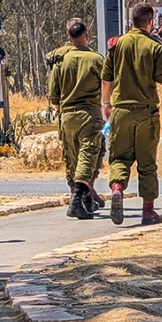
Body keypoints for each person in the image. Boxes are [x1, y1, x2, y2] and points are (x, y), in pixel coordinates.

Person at [102, 3, 162, 226]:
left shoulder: (117, 44)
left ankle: (117, 189)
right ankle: (148, 210)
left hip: (121, 111)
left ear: (131, 21)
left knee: (120, 157)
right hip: (146, 113)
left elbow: (107, 78)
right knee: (147, 162)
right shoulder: (155, 46)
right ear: (151, 22)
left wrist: (106, 103)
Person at [46, 18, 106, 210]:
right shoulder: (97, 60)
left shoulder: (60, 61)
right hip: (90, 115)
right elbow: (107, 85)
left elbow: (53, 93)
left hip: (67, 116)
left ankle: (83, 198)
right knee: (89, 156)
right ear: (87, 37)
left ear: (69, 38)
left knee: (72, 158)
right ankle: (76, 201)